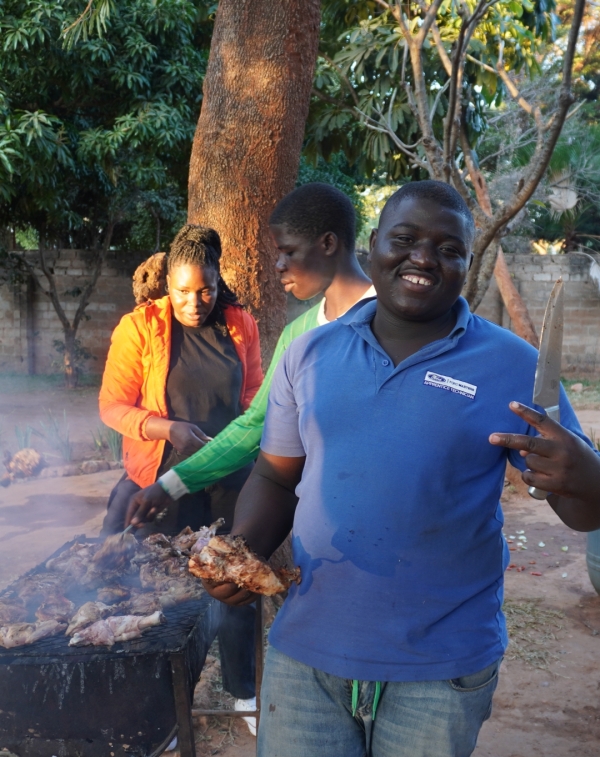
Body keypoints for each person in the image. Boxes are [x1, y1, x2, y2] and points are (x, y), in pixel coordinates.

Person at [202, 180, 600, 757]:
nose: (424, 258)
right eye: (406, 239)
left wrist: (587, 476)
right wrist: (244, 550)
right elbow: (275, 477)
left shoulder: (514, 366)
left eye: (448, 249)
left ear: (467, 264)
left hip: (440, 667)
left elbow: (581, 511)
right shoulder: (309, 353)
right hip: (308, 654)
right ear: (372, 245)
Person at [126, 182, 374, 527]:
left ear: (328, 244)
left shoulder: (393, 321)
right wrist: (170, 486)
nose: (278, 265)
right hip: (324, 529)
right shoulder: (297, 335)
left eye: (289, 252)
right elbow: (256, 425)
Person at [98, 224, 263, 727]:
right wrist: (166, 428)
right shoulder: (140, 327)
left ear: (217, 282)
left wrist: (240, 439)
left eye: (205, 290)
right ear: (167, 285)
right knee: (151, 586)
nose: (195, 303)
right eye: (183, 292)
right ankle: (158, 706)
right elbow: (112, 406)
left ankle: (241, 693)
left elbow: (254, 398)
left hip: (228, 482)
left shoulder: (240, 324)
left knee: (234, 585)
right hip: (160, 483)